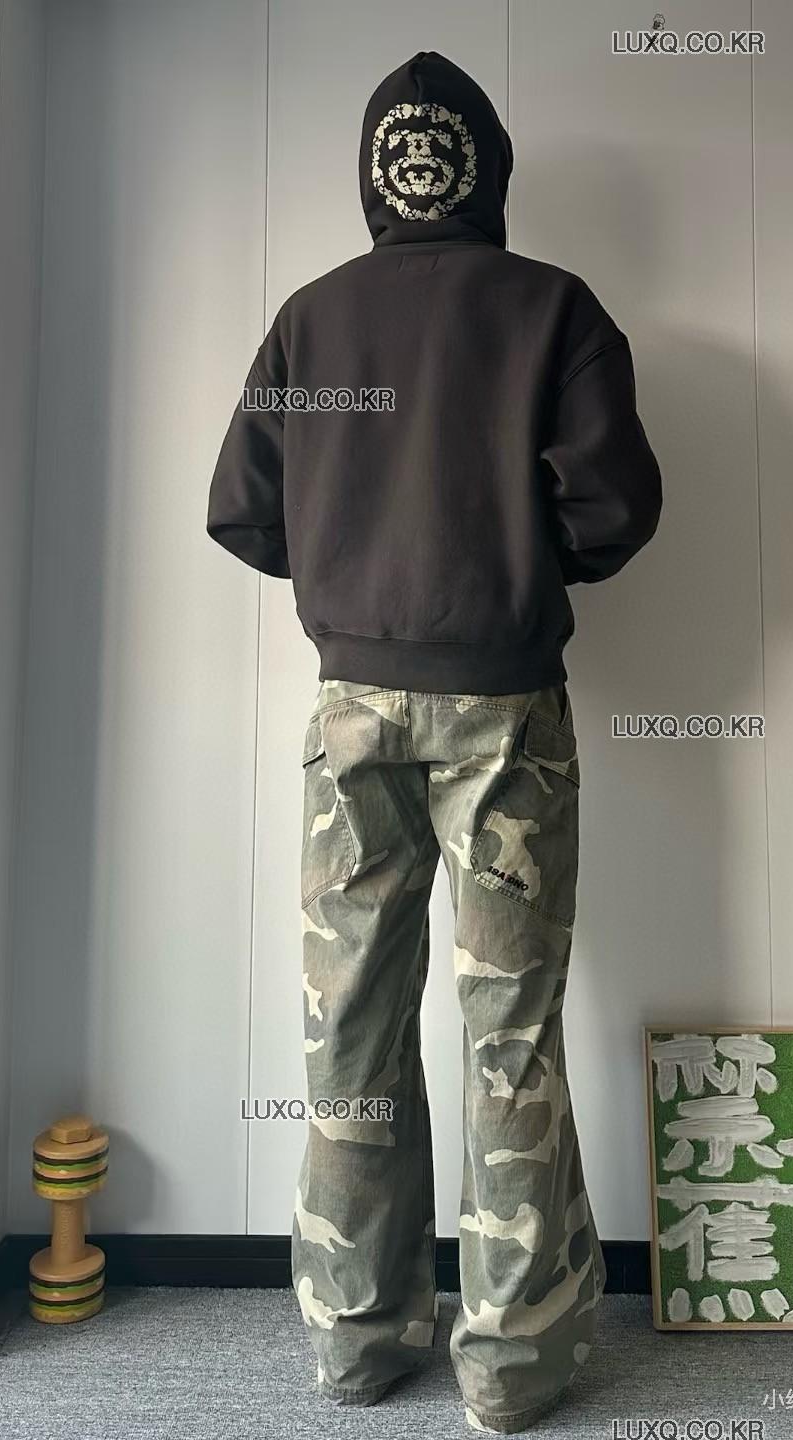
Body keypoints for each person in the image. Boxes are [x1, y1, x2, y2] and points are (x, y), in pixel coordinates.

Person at [207, 49, 661, 1435]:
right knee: (508, 1032)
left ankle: (355, 1344)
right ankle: (510, 1372)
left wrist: (354, 571)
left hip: (353, 710)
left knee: (348, 1023)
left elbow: (244, 510)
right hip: (506, 709)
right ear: (490, 173)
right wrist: (512, 568)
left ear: (377, 175)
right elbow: (616, 512)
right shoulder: (554, 309)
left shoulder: (312, 319)